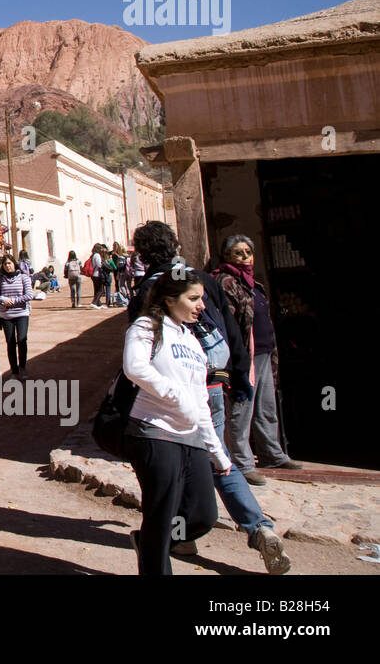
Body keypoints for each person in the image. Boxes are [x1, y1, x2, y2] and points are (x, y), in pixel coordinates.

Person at [126, 222, 289, 572]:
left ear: (142, 252)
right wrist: (239, 374)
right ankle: (255, 525)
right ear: (174, 244)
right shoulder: (198, 282)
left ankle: (183, 534)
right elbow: (231, 329)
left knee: (207, 463)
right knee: (197, 468)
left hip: (195, 395)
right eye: (193, 301)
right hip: (178, 407)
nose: (199, 305)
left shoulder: (155, 296)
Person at [122, 270, 231, 575]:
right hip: (153, 430)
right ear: (170, 300)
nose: (201, 306)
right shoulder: (146, 327)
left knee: (202, 515)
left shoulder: (192, 341)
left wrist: (217, 451)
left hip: (192, 435)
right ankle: (155, 561)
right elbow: (134, 367)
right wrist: (174, 394)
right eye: (193, 298)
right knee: (162, 511)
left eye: (202, 299)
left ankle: (149, 542)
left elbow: (200, 402)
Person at [211, 235, 302, 480]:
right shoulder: (226, 282)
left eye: (248, 252)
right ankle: (243, 462)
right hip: (244, 357)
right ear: (227, 256)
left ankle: (272, 453)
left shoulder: (252, 283)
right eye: (238, 253)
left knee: (266, 406)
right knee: (242, 407)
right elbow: (227, 324)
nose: (245, 257)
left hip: (263, 352)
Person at [0, 254, 33, 379]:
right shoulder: (0, 280)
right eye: (5, 264)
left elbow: (29, 295)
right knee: (10, 342)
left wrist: (13, 301)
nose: (8, 266)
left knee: (22, 340)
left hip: (21, 313)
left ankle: (23, 367)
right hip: (6, 315)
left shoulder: (24, 278)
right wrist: (2, 299)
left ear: (14, 263)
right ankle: (14, 371)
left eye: (9, 263)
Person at [90, 243, 108, 309]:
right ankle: (94, 302)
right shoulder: (97, 255)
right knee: (101, 290)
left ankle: (98, 303)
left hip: (94, 274)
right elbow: (99, 265)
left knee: (97, 290)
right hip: (97, 274)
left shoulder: (92, 255)